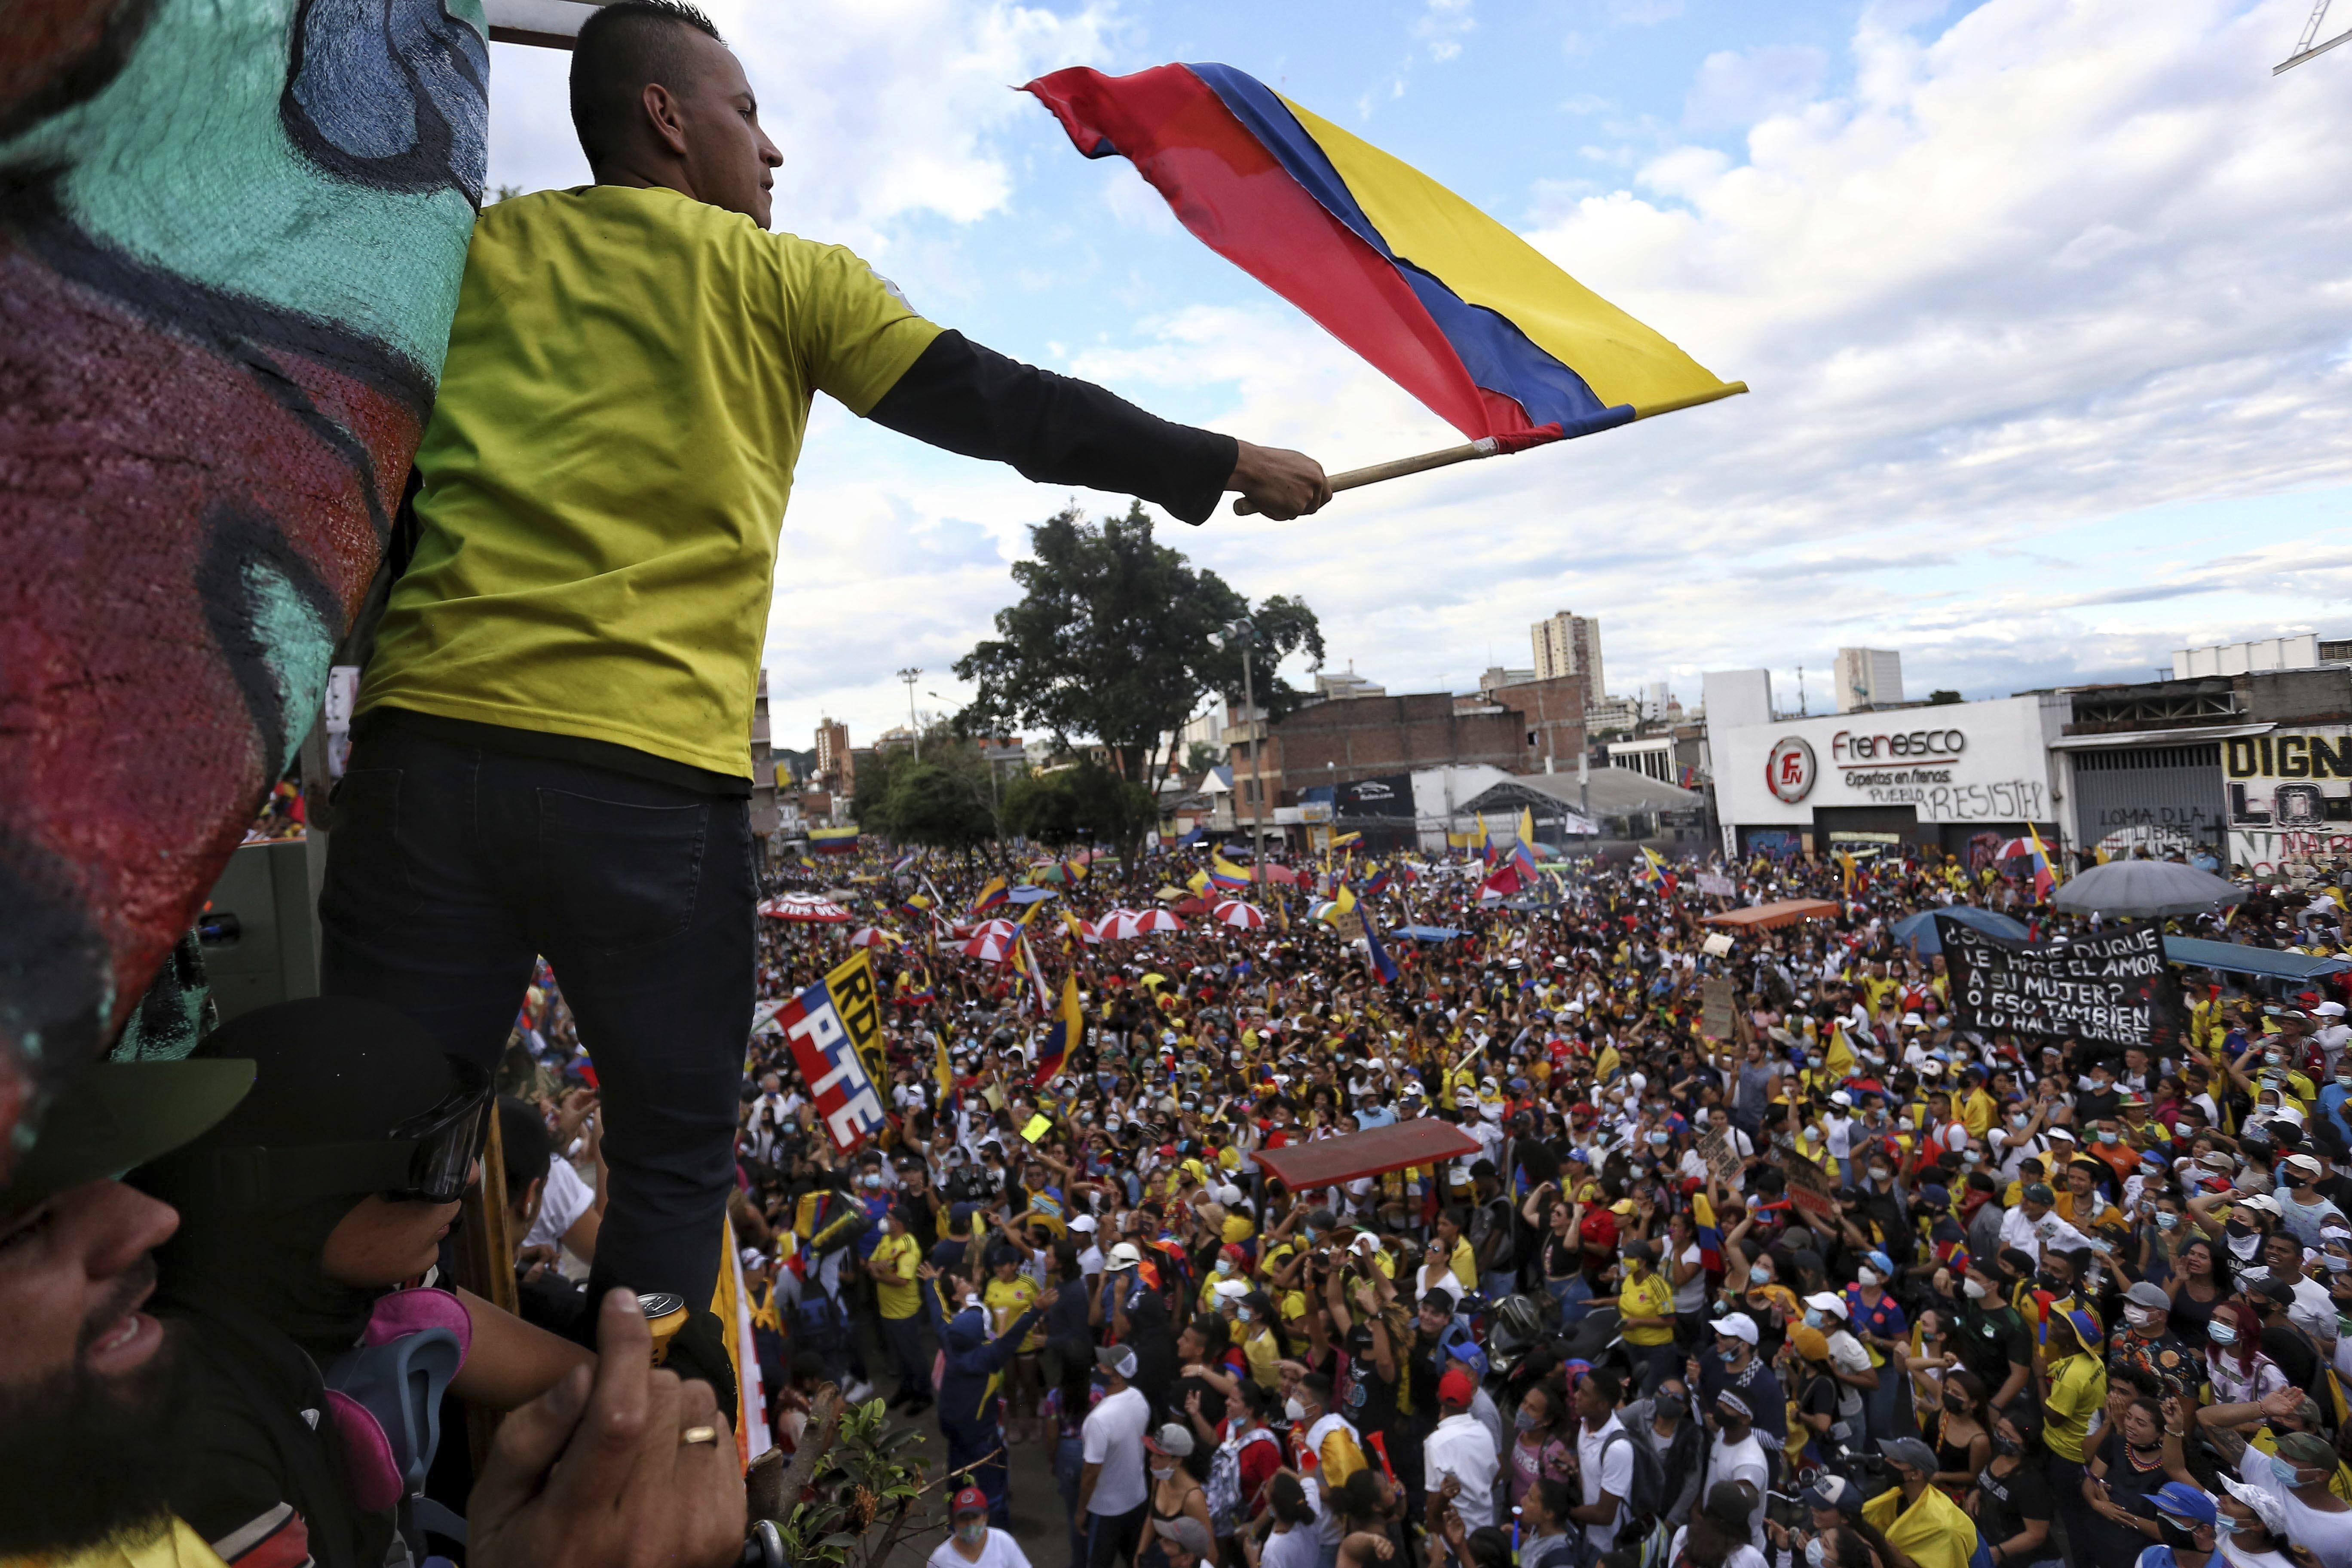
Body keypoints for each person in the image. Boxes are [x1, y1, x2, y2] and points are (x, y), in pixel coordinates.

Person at [318, 0, 1332, 1397]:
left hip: (424, 763)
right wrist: (1218, 459)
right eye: (746, 109)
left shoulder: (474, 253)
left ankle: (353, 1437)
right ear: (668, 119)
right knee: (673, 1161)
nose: (775, 144)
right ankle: (626, 1440)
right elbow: (1006, 406)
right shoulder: (785, 280)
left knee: (368, 1155)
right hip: (645, 789)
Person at [0, 1060, 744, 1568]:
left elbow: (599, 1389)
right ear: (303, 1206)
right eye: (22, 1224)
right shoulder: (201, 1444)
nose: (145, 1220)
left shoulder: (334, 1333)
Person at [129, 1000, 593, 1565]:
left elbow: (568, 1375)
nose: (470, 1178)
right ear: (304, 1204)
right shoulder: (202, 1445)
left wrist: (643, 1364)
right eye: (437, 1160)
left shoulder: (332, 1282)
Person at [924, 1260, 1054, 1527]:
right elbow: (1013, 1337)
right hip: (981, 1437)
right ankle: (995, 1527)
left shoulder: (950, 1343)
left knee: (958, 1479)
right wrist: (1035, 1310)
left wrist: (930, 1283)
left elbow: (938, 1315)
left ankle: (956, 1523)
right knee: (990, 1483)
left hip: (953, 1432)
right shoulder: (988, 1357)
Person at [1855, 1436, 1980, 1568]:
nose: (1886, 1461)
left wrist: (1885, 1547)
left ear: (1916, 1474)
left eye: (1896, 1461)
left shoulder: (1943, 1527)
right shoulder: (1897, 1495)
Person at [1083, 1342, 1155, 1568]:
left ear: (1116, 1378)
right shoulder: (1138, 1398)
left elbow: (1090, 1473)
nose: (1097, 1367)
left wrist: (1080, 1512)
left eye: (1104, 1367)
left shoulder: (1099, 1419)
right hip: (1137, 1498)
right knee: (1134, 1557)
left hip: (1107, 1510)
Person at [2238, 1429, 2352, 1568]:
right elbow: (2208, 1420)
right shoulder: (2264, 1470)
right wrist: (2263, 1407)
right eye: (2279, 1450)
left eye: (2290, 1457)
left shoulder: (2347, 1529)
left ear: (2321, 1475)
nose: (2278, 1457)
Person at [1972, 1405, 2056, 1568]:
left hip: (2030, 1562)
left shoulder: (2031, 1482)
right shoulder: (1999, 1455)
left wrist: (1999, 1552)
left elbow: (2037, 1535)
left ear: (2025, 1445)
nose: (2000, 1436)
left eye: (2009, 1435)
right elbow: (1987, 1483)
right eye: (1999, 1429)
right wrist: (1975, 1492)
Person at [1570, 1366, 1634, 1561]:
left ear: (1602, 1405)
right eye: (1579, 1390)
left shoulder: (1618, 1449)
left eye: (1584, 1394)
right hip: (1584, 1534)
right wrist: (1572, 1467)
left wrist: (1561, 1513)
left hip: (1605, 1549)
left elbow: (1605, 1515)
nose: (1576, 1396)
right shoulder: (1585, 1423)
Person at [1424, 1366, 1500, 1531]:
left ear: (1439, 1398)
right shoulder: (1484, 1432)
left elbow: (1433, 1501)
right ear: (1471, 1402)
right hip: (1486, 1526)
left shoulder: (1435, 1442)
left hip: (1457, 1534)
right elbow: (1494, 1475)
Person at [871, 1204, 929, 1414]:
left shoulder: (908, 1246)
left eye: (889, 1217)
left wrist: (879, 1275)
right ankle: (907, 1389)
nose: (885, 1220)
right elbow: (872, 1262)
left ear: (899, 1223)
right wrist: (876, 1268)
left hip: (905, 1312)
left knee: (913, 1355)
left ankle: (923, 1395)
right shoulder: (887, 1239)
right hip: (888, 1310)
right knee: (901, 1354)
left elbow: (903, 1280)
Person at [1138, 1422, 1216, 1568]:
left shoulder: (1193, 1499)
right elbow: (1151, 1517)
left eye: (1159, 1455)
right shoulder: (1159, 1478)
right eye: (1152, 1452)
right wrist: (1139, 1555)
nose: (1152, 1459)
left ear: (1177, 1461)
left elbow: (1210, 1553)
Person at [1704, 1391, 1768, 1549]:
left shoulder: (1750, 1462)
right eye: (1720, 1403)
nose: (1720, 1408)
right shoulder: (1723, 1434)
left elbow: (1744, 1501)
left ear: (1745, 1419)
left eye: (1728, 1407)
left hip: (1736, 1543)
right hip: (1713, 1531)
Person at [929, 1484, 1035, 1568]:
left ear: (986, 1516)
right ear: (954, 1520)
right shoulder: (940, 1559)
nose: (970, 1524)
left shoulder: (1003, 1543)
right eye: (964, 1519)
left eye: (974, 1517)